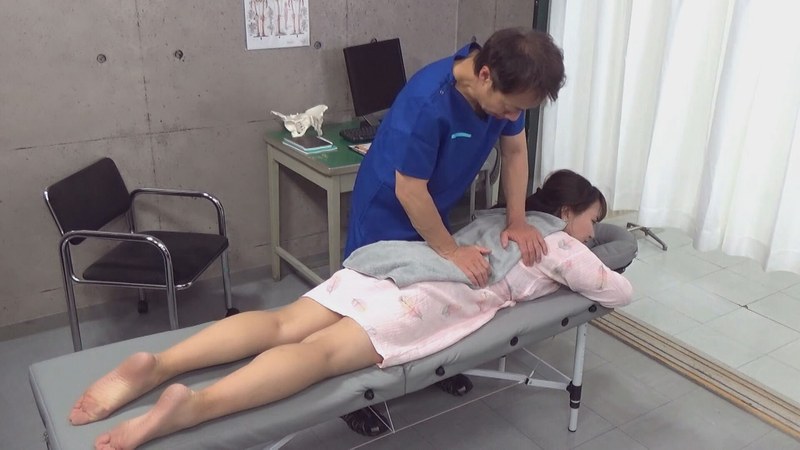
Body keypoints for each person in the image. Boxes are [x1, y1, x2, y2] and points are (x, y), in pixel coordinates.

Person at [70, 170, 632, 450]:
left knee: (282, 323)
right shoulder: (559, 244)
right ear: (566, 212)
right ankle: (195, 407)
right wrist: (600, 243)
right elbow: (614, 288)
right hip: (429, 297)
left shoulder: (496, 215)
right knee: (317, 355)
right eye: (591, 219)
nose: (591, 232)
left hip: (391, 265)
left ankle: (162, 364)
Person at [341, 27, 565, 432]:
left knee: (430, 293)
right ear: (485, 76)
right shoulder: (428, 101)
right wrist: (449, 250)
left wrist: (517, 220)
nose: (512, 117)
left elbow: (515, 151)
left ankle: (432, 368)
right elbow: (409, 190)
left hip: (432, 203)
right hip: (387, 208)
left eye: (520, 111)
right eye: (510, 108)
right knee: (369, 303)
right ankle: (353, 393)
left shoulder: (506, 89)